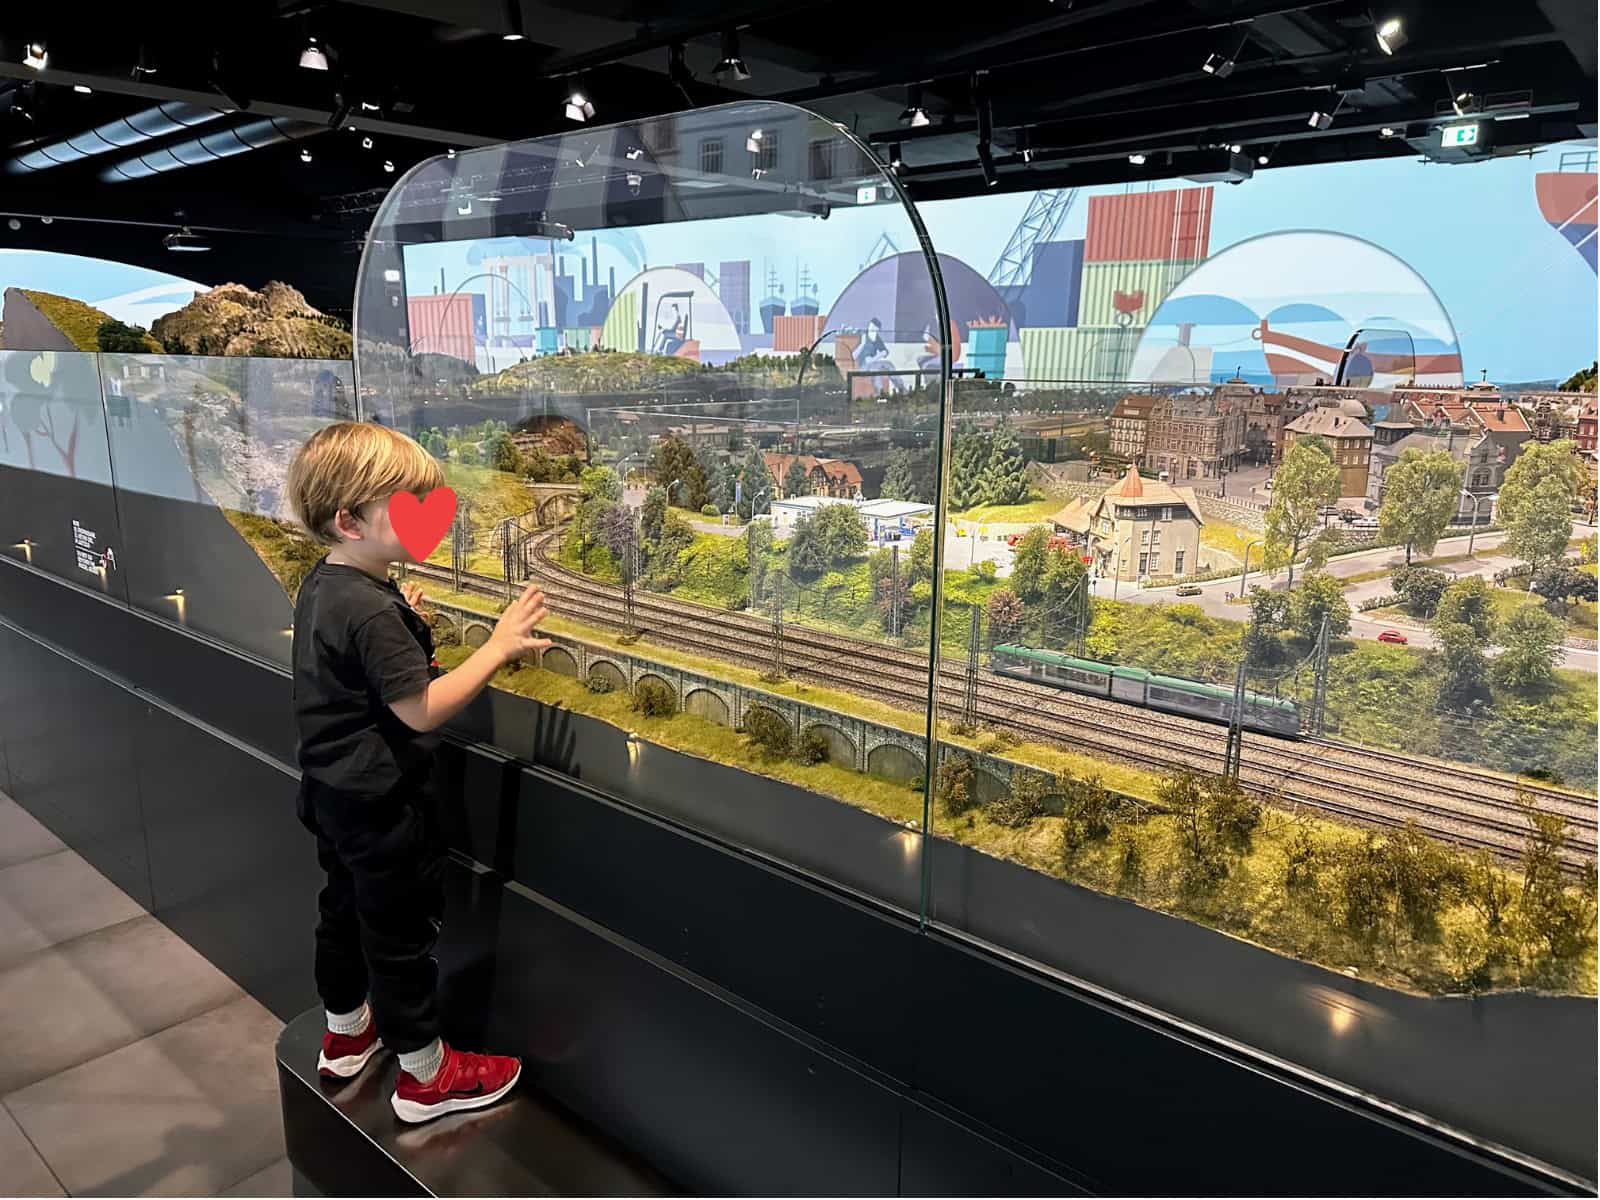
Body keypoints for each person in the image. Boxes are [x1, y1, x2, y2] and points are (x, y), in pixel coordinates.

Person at [285, 421, 551, 1124]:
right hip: (381, 805)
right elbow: (423, 711)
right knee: (401, 940)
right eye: (407, 507)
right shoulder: (371, 611)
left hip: (330, 793)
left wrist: (405, 619)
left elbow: (352, 665)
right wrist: (495, 648)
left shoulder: (330, 586)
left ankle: (346, 1035)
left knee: (340, 913)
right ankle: (427, 1076)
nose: (424, 520)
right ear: (351, 519)